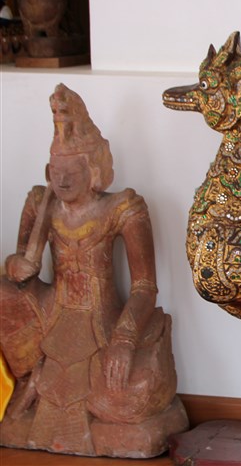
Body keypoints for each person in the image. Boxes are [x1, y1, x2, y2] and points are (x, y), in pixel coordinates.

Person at [0, 84, 187, 457]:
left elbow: (144, 286)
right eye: (56, 171)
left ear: (95, 169)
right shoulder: (40, 202)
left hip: (102, 321)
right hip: (53, 311)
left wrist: (124, 340)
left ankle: (54, 391)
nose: (63, 180)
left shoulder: (123, 209)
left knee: (130, 391)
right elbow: (19, 264)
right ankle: (32, 379)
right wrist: (16, 265)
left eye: (72, 170)